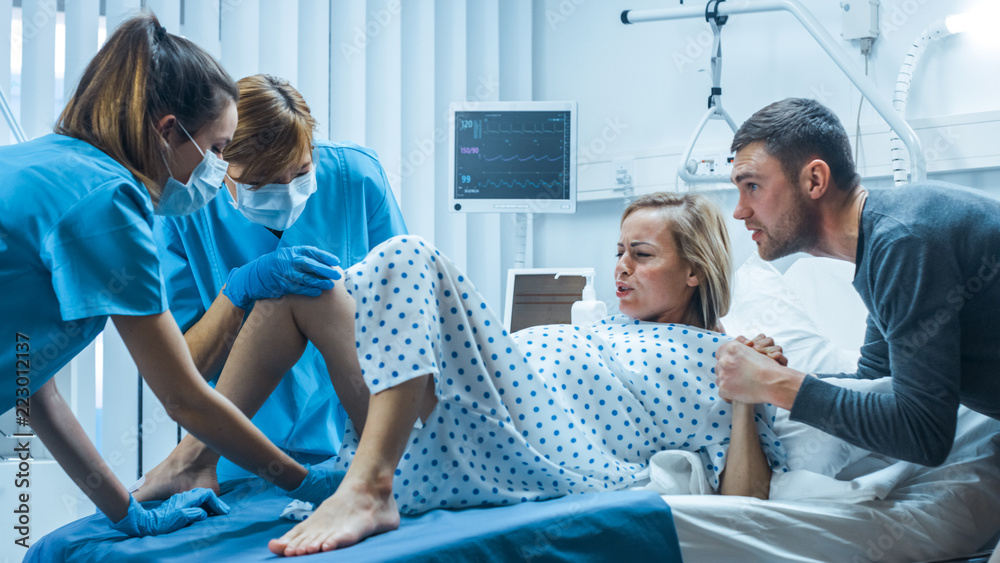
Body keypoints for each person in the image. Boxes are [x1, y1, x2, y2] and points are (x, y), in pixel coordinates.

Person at [132, 192, 787, 554]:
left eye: (641, 255)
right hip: (453, 417)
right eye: (618, 251)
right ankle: (196, 457)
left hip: (536, 448)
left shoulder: (721, 361)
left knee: (411, 255)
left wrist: (745, 397)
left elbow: (746, 504)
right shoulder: (604, 323)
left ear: (695, 269)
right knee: (299, 290)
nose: (620, 267)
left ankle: (371, 486)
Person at [0, 14, 338, 537]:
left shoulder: (41, 162)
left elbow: (31, 383)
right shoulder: (108, 201)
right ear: (168, 130)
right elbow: (181, 394)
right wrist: (309, 484)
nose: (222, 169)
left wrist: (128, 515)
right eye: (220, 149)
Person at [144, 74, 406, 488]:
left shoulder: (356, 177)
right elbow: (179, 373)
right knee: (293, 296)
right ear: (219, 165)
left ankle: (190, 460)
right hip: (240, 445)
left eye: (301, 171)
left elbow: (403, 321)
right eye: (261, 182)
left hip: (358, 429)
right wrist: (237, 293)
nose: (286, 191)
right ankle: (194, 460)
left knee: (310, 292)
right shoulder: (185, 209)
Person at [714, 97, 1000, 468]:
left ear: (814, 180)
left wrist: (776, 384)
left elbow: (924, 434)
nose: (739, 211)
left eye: (752, 186)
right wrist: (779, 377)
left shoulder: (904, 243)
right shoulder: (882, 244)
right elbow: (874, 379)